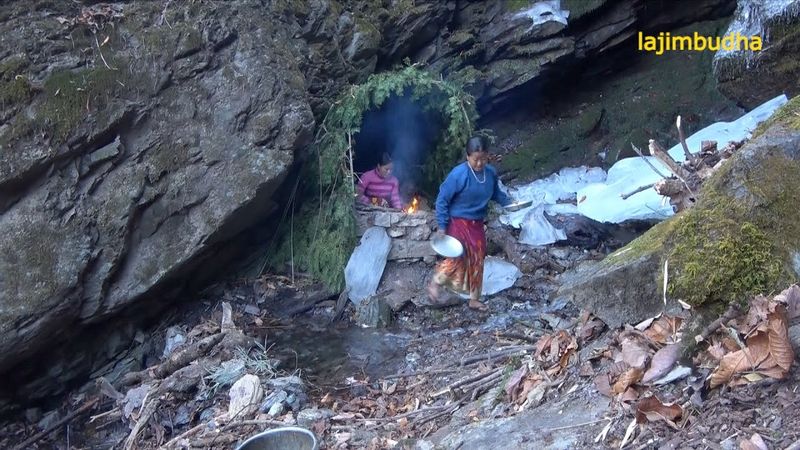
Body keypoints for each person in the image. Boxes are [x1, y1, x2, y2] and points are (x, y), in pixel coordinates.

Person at [427, 137, 512, 311]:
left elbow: (496, 194)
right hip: (458, 222)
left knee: (478, 259)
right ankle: (436, 282)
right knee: (458, 257)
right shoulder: (459, 175)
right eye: (475, 159)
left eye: (483, 158)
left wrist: (510, 202)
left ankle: (474, 298)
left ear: (487, 155)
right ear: (468, 157)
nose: (479, 163)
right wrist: (442, 226)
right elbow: (442, 200)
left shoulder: (490, 173)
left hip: (476, 224)